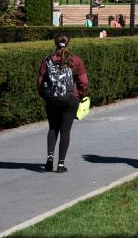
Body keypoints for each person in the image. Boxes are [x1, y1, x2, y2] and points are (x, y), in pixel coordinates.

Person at [37, 34, 89, 173]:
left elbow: (40, 81)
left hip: (52, 99)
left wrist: (46, 96)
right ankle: (60, 165)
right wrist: (80, 95)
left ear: (55, 43)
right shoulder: (75, 60)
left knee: (53, 128)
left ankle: (49, 159)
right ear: (68, 43)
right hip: (70, 99)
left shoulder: (48, 60)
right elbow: (84, 82)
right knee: (65, 131)